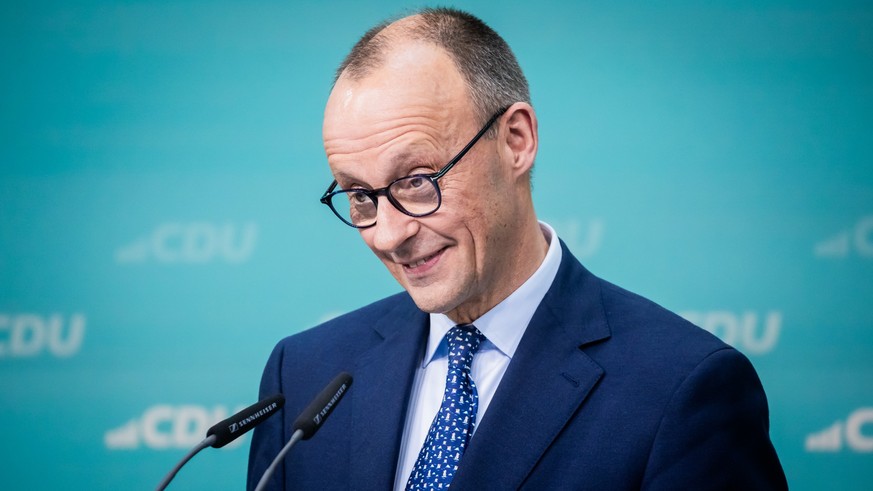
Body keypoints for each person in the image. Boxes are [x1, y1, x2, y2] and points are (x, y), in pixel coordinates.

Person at [248, 7, 787, 490]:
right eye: (361, 196)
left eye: (416, 180)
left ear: (516, 141)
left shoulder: (682, 389)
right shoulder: (303, 373)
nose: (389, 236)